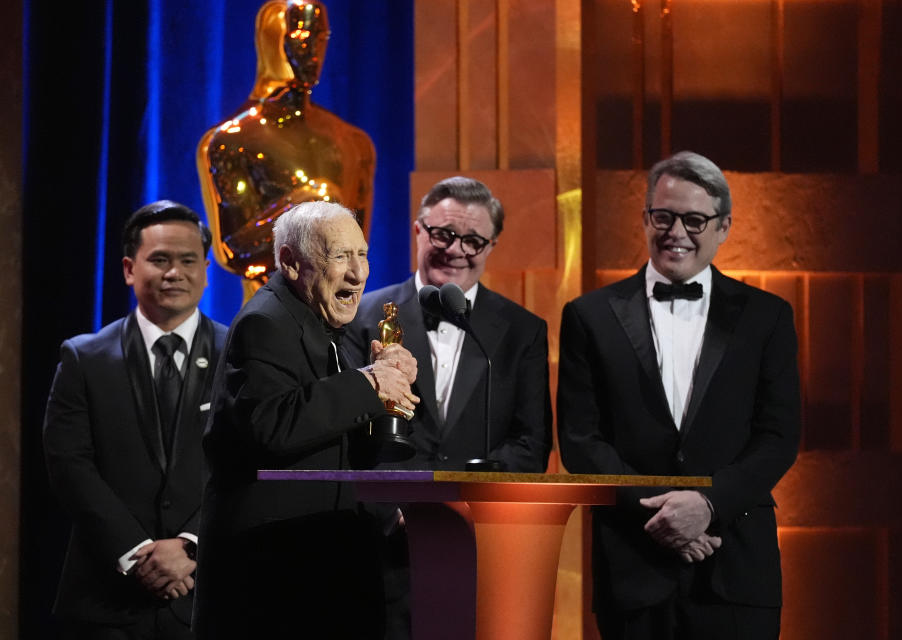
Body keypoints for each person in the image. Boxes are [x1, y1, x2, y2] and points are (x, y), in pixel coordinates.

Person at [558, 151, 801, 639]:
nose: (676, 232)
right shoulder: (589, 316)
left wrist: (708, 506)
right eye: (663, 217)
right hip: (633, 564)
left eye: (694, 220)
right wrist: (668, 516)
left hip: (736, 566)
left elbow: (778, 436)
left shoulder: (767, 316)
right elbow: (582, 442)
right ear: (646, 218)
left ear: (724, 226)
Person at [194, 201, 418, 639]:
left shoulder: (326, 325)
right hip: (274, 578)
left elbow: (336, 439)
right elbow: (271, 426)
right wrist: (369, 386)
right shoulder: (265, 323)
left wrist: (391, 392)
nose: (359, 273)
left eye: (363, 254)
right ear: (291, 264)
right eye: (340, 256)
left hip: (326, 565)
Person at [344, 176, 552, 638]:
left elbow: (531, 442)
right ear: (418, 231)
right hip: (382, 546)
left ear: (492, 245)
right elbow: (345, 432)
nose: (457, 249)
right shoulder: (364, 318)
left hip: (478, 545)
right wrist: (390, 508)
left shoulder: (522, 330)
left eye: (474, 240)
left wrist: (466, 507)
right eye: (443, 234)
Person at [43, 201, 228, 639]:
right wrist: (138, 552)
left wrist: (190, 546)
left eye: (187, 261)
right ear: (129, 268)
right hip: (107, 601)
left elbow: (249, 462)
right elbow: (69, 465)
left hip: (211, 596)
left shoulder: (238, 355)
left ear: (205, 269)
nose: (174, 273)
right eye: (159, 260)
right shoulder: (84, 357)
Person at [196, 0, 375, 297]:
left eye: (321, 38)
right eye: (303, 36)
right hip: (265, 315)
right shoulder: (231, 140)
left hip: (336, 323)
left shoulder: (353, 143)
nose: (314, 51)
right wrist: (309, 204)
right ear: (273, 39)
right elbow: (233, 251)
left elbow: (357, 253)